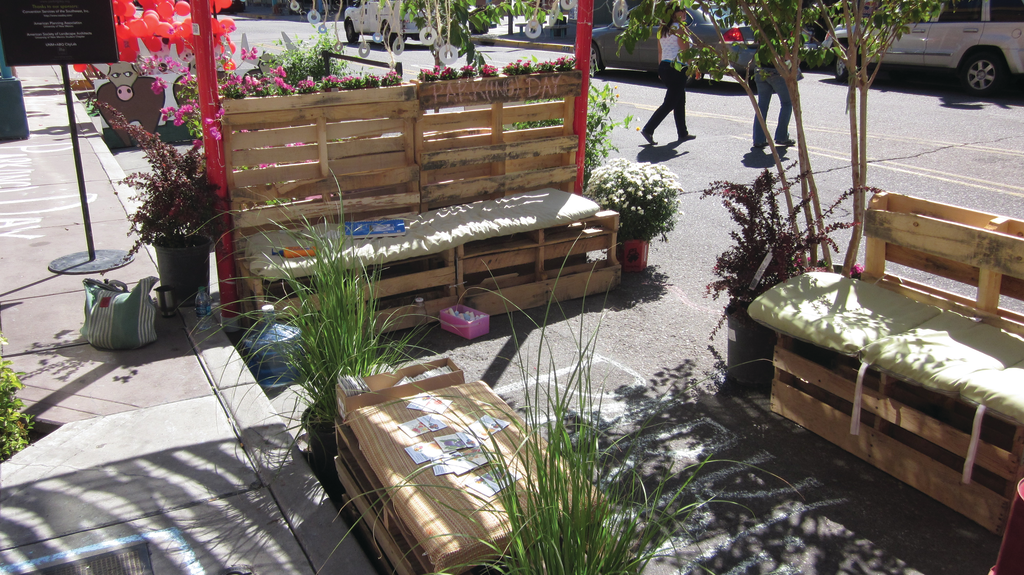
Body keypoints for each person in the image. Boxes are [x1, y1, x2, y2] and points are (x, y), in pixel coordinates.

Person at [640, 7, 693, 145]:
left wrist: (660, 69)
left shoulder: (662, 29)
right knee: (670, 102)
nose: (685, 13)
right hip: (677, 67)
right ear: (674, 13)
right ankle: (648, 129)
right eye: (682, 10)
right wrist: (691, 67)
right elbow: (685, 51)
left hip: (664, 66)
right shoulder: (680, 29)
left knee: (679, 100)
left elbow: (660, 51)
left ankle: (683, 133)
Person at [752, 58, 796, 149]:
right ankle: (781, 136)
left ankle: (758, 139)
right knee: (787, 103)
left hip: (760, 69)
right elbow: (787, 56)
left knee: (762, 106)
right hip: (777, 70)